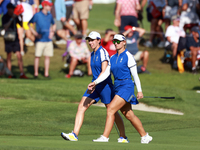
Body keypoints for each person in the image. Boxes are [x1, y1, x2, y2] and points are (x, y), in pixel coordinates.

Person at [61, 31, 129, 143]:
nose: (90, 42)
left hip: (105, 86)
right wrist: (94, 83)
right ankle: (74, 134)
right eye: (89, 40)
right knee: (81, 107)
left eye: (92, 40)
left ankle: (123, 137)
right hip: (95, 86)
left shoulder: (103, 52)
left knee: (112, 111)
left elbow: (105, 72)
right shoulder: (92, 54)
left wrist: (96, 82)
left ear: (99, 40)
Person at [88, 34, 152, 143]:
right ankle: (144, 135)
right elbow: (106, 73)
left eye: (118, 41)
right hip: (117, 86)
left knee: (111, 109)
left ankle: (105, 137)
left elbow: (135, 75)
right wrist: (95, 82)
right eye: (115, 41)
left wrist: (140, 90)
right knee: (128, 114)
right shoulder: (112, 58)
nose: (116, 43)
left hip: (127, 86)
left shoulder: (129, 56)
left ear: (124, 42)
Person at [28, 0, 56, 78]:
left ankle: (46, 74)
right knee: (37, 56)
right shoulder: (37, 15)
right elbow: (29, 24)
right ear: (44, 6)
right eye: (49, 6)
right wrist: (35, 33)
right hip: (40, 40)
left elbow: (54, 24)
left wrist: (52, 32)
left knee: (47, 56)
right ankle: (36, 74)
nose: (50, 7)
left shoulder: (50, 15)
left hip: (48, 40)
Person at [2, 3, 28, 79]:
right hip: (8, 38)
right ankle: (10, 73)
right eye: (12, 9)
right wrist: (12, 18)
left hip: (15, 38)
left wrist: (20, 16)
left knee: (19, 55)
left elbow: (21, 25)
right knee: (9, 55)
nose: (13, 10)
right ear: (8, 9)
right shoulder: (5, 17)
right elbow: (5, 26)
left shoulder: (15, 16)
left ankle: (22, 73)